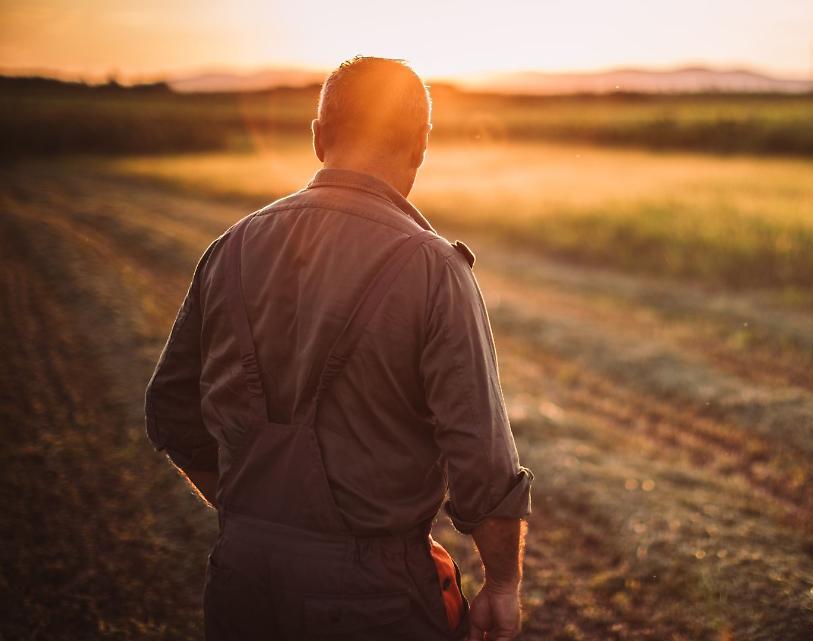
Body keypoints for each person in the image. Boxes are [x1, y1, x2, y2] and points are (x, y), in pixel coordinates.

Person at [144, 56, 533, 641]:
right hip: (375, 597)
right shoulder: (433, 268)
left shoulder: (232, 247)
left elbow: (172, 413)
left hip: (241, 575)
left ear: (319, 137)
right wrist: (501, 587)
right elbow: (480, 458)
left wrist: (259, 518)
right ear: (419, 147)